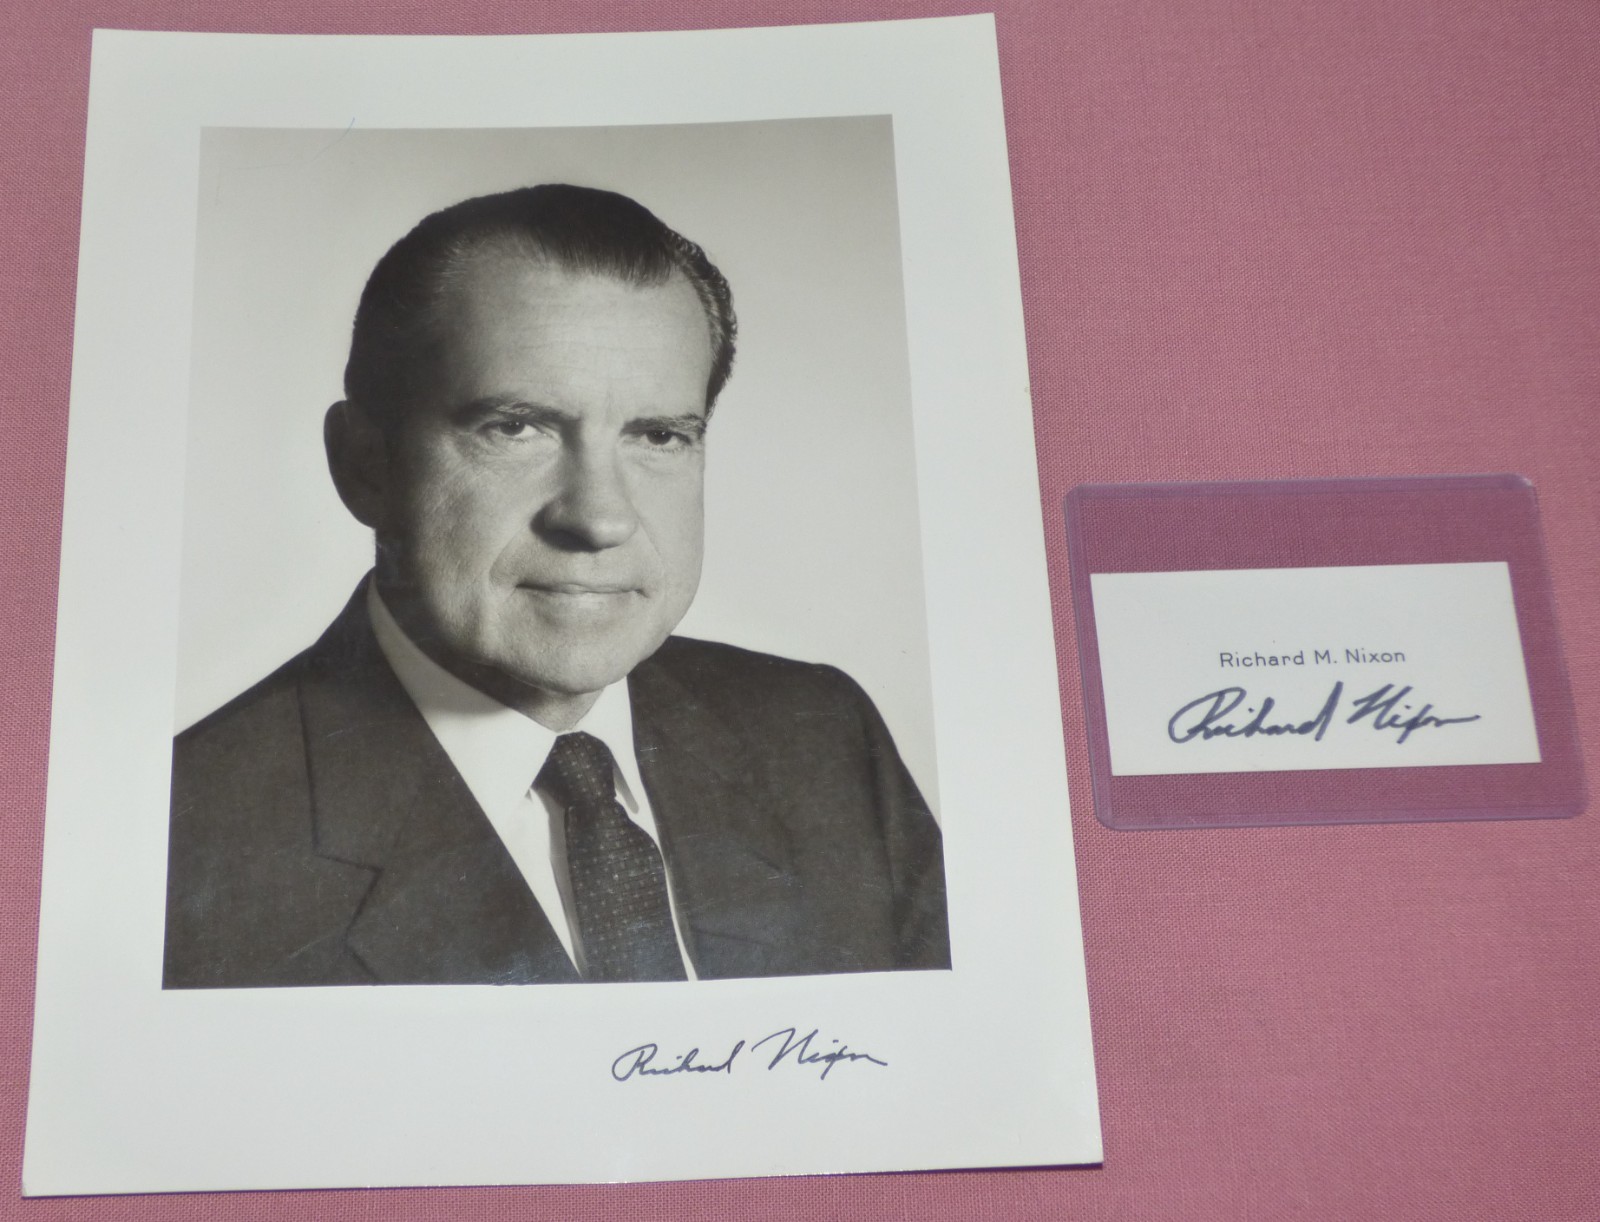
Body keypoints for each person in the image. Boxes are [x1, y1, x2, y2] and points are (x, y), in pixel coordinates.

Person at [163, 183, 950, 988]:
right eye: (515, 427)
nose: (600, 518)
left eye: (658, 435)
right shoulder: (184, 845)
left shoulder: (822, 739)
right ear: (365, 465)